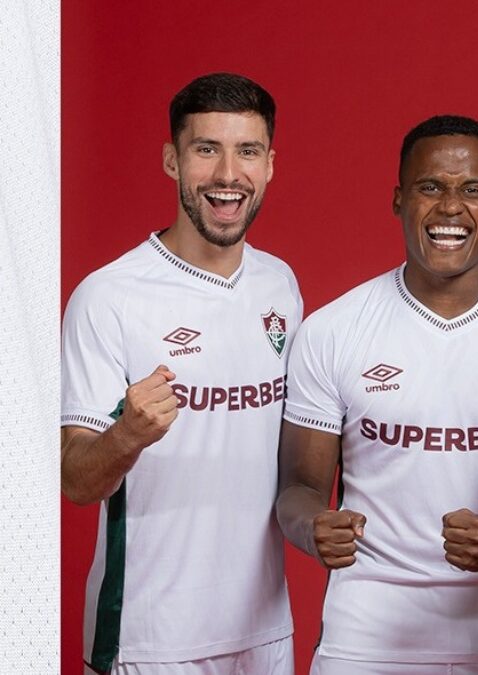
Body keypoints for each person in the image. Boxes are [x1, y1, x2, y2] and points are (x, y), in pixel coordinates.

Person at [276, 115, 478, 675]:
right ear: (399, 200)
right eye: (430, 187)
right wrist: (312, 527)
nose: (450, 207)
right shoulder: (332, 331)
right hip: (365, 639)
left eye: (472, 190)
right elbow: (297, 488)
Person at [61, 73, 299, 674]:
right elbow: (77, 480)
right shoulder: (108, 296)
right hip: (150, 638)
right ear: (172, 160)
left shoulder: (281, 285)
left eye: (246, 151)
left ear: (269, 164)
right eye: (205, 149)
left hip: (264, 630)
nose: (227, 174)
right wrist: (126, 435)